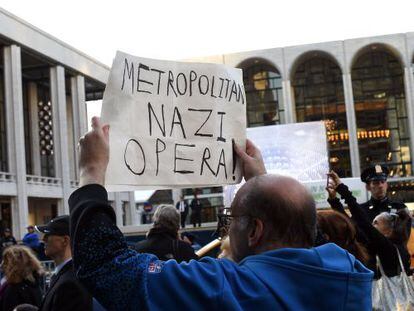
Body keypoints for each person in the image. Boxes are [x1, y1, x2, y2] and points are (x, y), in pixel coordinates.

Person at [69, 117, 373, 310]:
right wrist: (260, 182)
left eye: (231, 219)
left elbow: (108, 268)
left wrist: (91, 173)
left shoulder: (227, 288)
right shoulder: (346, 272)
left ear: (254, 231)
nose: (227, 230)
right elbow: (300, 232)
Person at [327, 171, 411, 278]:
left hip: (387, 265)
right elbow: (352, 228)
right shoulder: (363, 209)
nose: (380, 186)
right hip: (370, 265)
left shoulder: (399, 208)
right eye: (375, 183)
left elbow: (366, 226)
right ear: (368, 187)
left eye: (382, 182)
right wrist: (334, 201)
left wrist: (341, 189)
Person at [35, 215, 92, 311]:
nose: (43, 239)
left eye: (48, 235)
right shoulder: (65, 276)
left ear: (65, 240)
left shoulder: (70, 284)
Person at [133, 205, 198, 262]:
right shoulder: (181, 248)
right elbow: (196, 272)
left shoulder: (137, 248)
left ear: (155, 222)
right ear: (177, 226)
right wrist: (188, 247)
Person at [0, 246, 43, 311]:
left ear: (15, 265)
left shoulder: (13, 289)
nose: (2, 266)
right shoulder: (34, 283)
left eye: (6, 262)